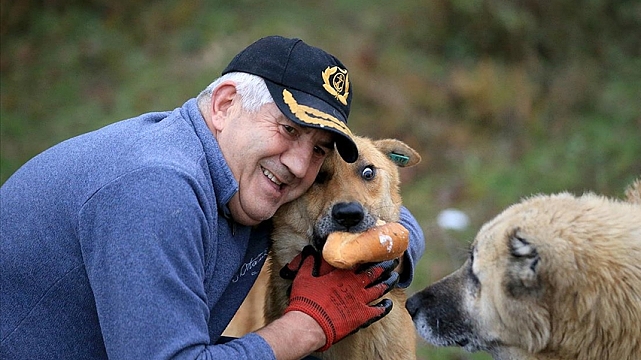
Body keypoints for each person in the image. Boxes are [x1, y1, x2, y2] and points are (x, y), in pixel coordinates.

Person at [0, 35, 424, 360]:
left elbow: (388, 212)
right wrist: (307, 327)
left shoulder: (255, 181)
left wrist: (388, 255)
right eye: (288, 129)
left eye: (317, 149)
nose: (298, 164)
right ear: (224, 105)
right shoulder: (157, 187)